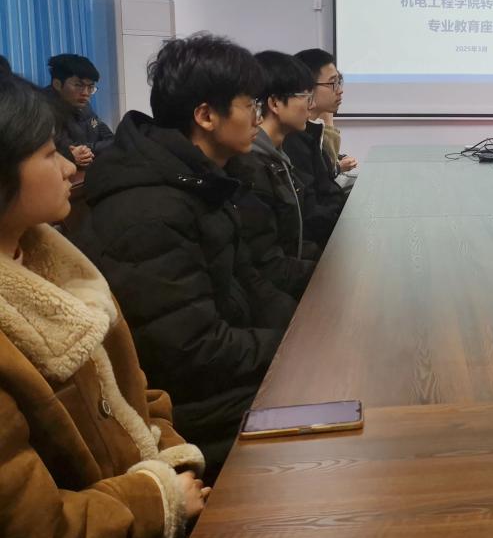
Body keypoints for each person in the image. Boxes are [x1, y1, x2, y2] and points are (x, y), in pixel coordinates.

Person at [72, 34, 297, 481]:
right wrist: (289, 349)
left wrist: (304, 330)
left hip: (225, 376)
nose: (258, 117)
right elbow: (192, 350)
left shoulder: (203, 180)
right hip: (190, 408)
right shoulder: (149, 209)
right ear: (206, 116)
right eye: (250, 105)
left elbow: (252, 283)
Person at [0, 73, 209, 538]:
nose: (68, 169)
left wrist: (174, 460)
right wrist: (158, 497)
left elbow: (134, 390)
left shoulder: (56, 261)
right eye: (48, 154)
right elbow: (34, 525)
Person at [226, 51, 320, 299]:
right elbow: (267, 266)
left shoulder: (278, 157)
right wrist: (328, 273)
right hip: (280, 297)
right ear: (275, 103)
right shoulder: (250, 168)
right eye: (305, 97)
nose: (311, 105)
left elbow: (293, 243)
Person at [284, 49, 351, 247]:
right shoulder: (291, 141)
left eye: (339, 82)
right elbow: (314, 214)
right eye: (333, 83)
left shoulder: (310, 132)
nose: (339, 90)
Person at [46, 53, 115, 169]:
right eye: (78, 85)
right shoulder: (43, 111)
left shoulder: (83, 104)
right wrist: (109, 145)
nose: (86, 93)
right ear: (57, 84)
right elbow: (70, 150)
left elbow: (105, 133)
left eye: (90, 87)